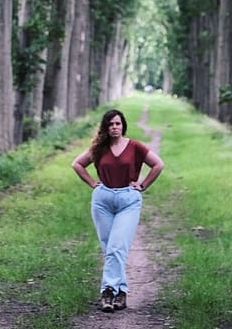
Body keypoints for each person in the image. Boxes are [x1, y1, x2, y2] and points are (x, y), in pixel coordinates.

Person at [72, 108, 164, 313]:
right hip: (102, 200)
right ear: (105, 127)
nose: (114, 127)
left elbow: (158, 164)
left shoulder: (135, 146)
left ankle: (107, 291)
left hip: (128, 200)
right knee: (110, 249)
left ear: (123, 126)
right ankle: (121, 292)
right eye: (110, 124)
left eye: (118, 123)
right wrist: (92, 183)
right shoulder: (99, 148)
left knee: (117, 247)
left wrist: (143, 185)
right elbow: (77, 164)